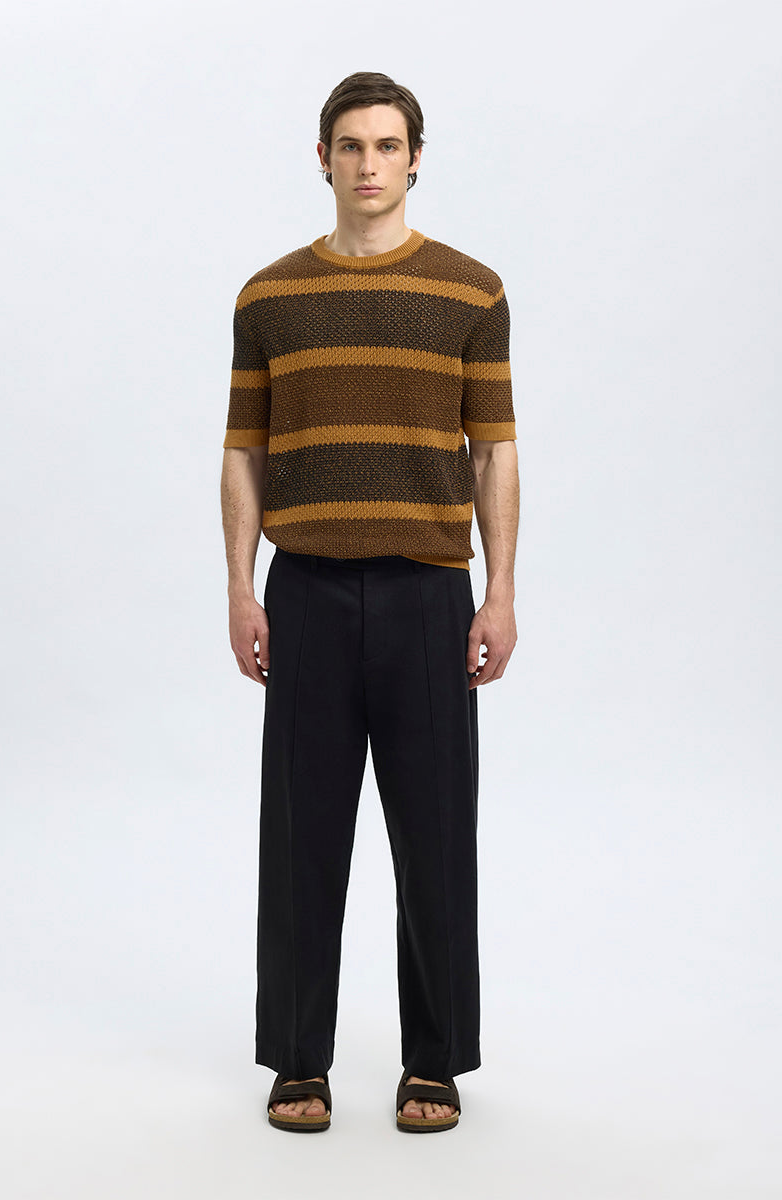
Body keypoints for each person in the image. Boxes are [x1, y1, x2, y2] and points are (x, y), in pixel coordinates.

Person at [220, 71, 519, 1134]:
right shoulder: (267, 297)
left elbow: (494, 452)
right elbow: (243, 452)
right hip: (302, 590)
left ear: (415, 159)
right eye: (350, 145)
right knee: (302, 838)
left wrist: (500, 592)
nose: (368, 164)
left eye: (387, 146)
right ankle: (298, 1060)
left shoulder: (471, 292)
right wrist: (239, 586)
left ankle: (432, 1062)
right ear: (323, 159)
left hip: (429, 595)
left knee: (434, 837)